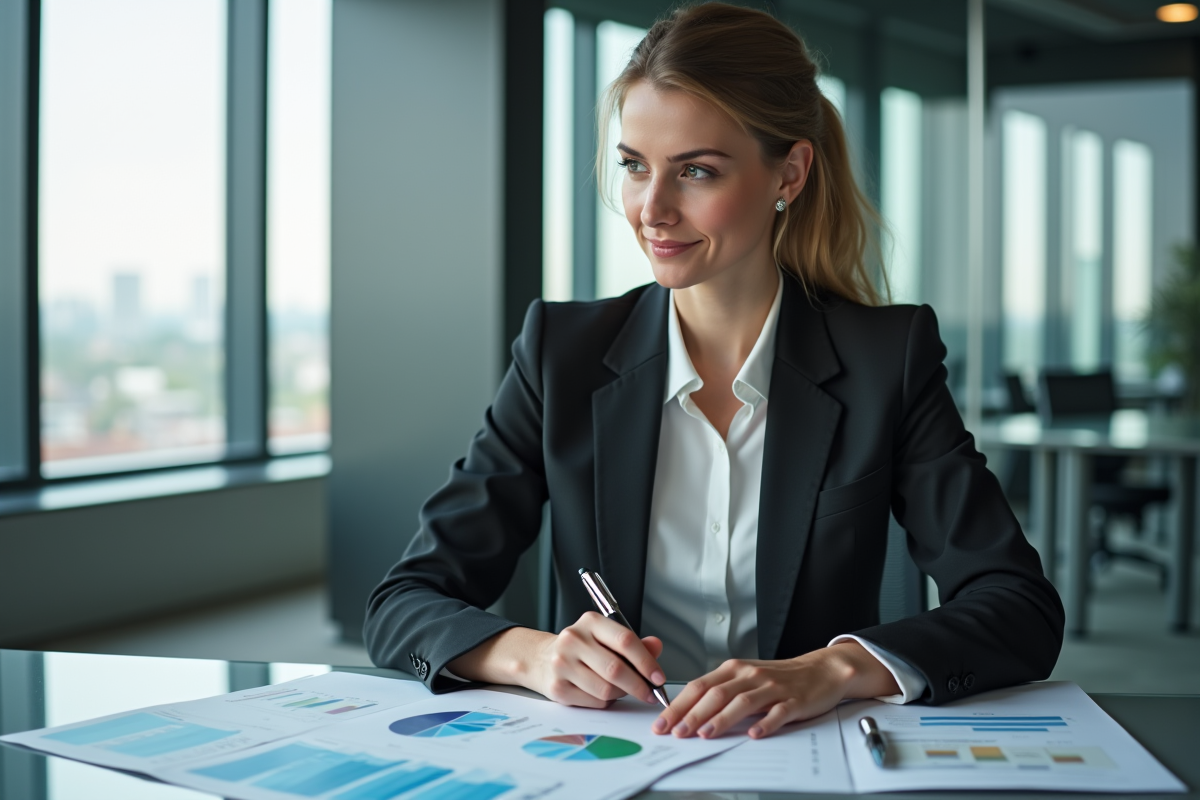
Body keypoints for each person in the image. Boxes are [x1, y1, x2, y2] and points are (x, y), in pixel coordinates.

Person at [364, 2, 1063, 741]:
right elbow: (405, 601)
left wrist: (835, 668)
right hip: (619, 763)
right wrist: (533, 656)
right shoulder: (559, 354)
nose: (652, 209)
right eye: (635, 165)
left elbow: (1018, 605)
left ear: (789, 172)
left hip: (804, 764)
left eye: (695, 171)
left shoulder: (883, 360)